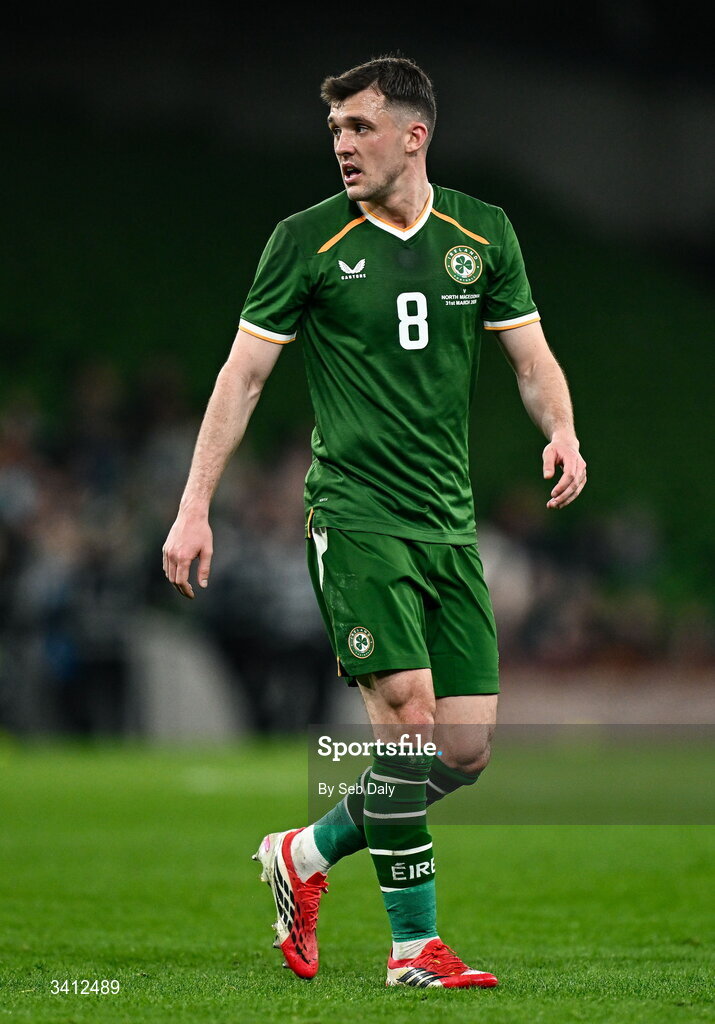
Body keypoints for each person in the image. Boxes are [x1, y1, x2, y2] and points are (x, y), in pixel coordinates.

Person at [162, 55, 587, 989]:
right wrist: (193, 507)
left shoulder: (483, 233)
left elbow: (529, 357)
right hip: (355, 518)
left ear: (413, 133)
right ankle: (412, 951)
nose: (343, 146)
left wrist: (560, 431)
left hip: (447, 524)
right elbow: (242, 377)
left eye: (359, 128)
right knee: (404, 727)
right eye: (335, 132)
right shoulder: (305, 240)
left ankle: (303, 854)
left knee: (463, 748)